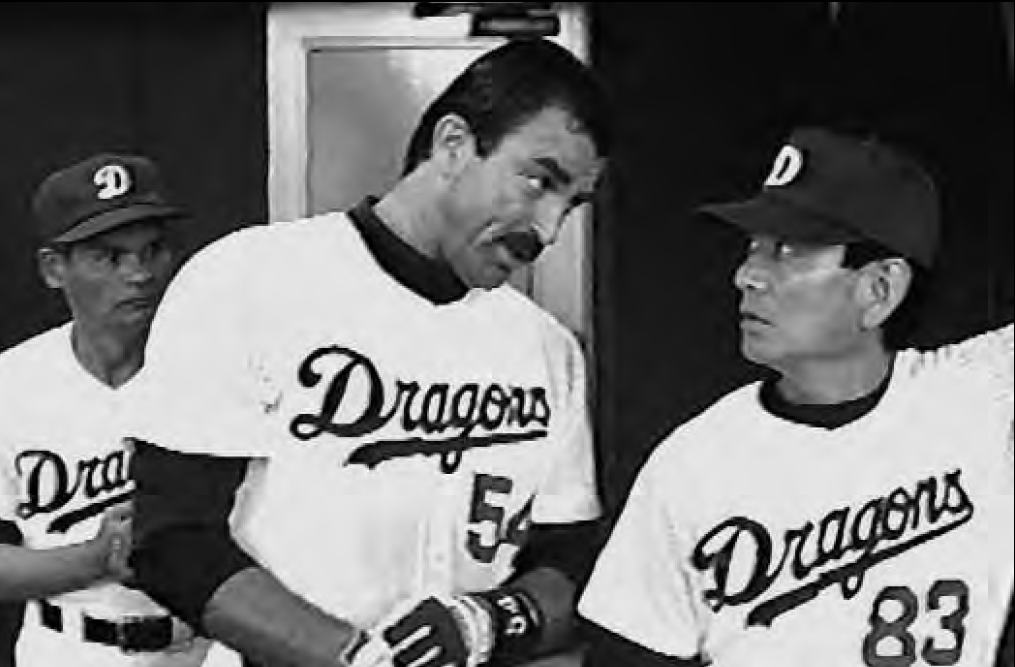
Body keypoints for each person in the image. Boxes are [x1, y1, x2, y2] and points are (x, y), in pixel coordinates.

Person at [122, 37, 612, 667]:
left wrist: (490, 621)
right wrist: (350, 657)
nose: (546, 229)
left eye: (569, 204)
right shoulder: (249, 277)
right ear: (453, 144)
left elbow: (567, 557)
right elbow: (170, 540)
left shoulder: (545, 347)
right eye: (539, 182)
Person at [579, 126, 1014, 666]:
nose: (747, 275)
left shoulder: (985, 397)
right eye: (753, 248)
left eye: (787, 251)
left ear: (880, 289)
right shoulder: (693, 463)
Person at [0, 154, 212, 666]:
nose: (139, 274)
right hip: (68, 647)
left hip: (203, 651)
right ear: (55, 269)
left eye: (154, 250)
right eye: (109, 257)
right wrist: (94, 559)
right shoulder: (10, 383)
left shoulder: (222, 372)